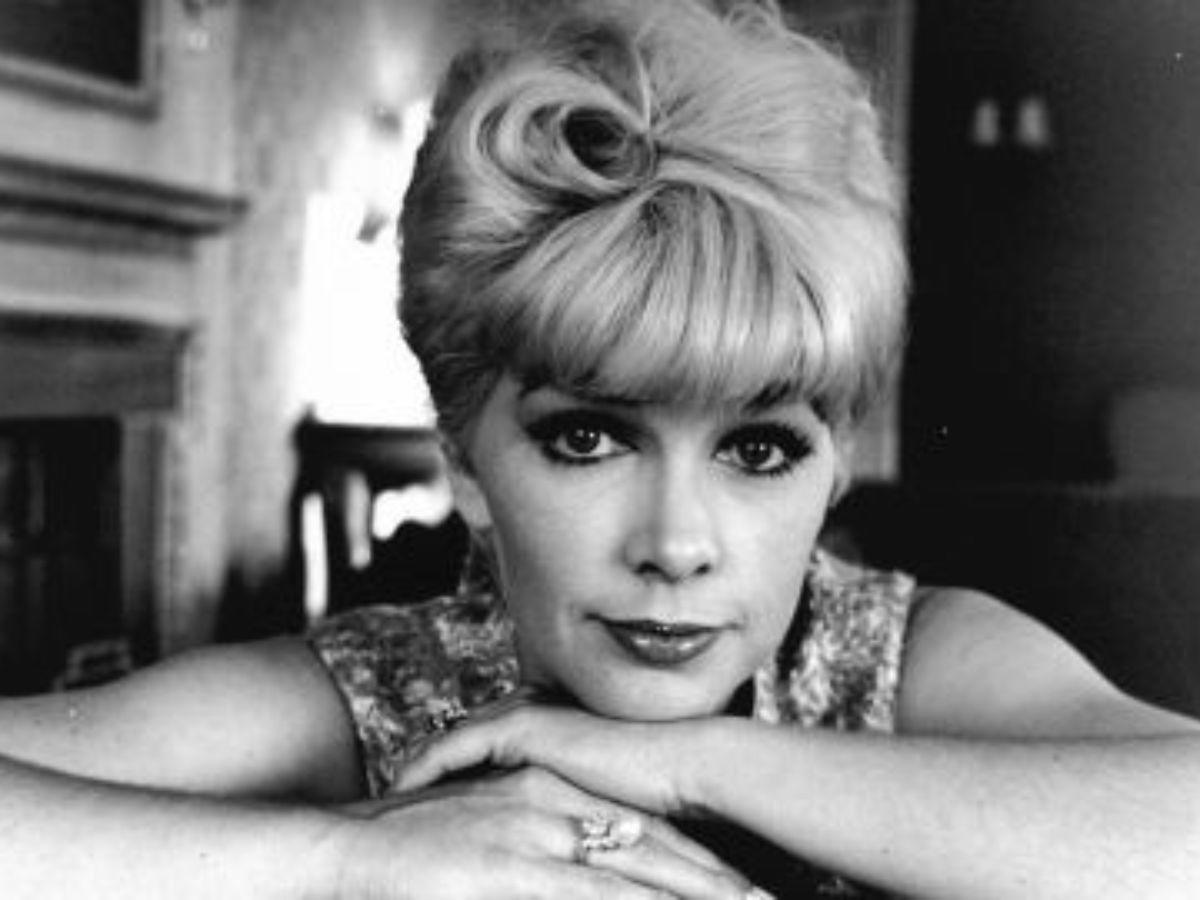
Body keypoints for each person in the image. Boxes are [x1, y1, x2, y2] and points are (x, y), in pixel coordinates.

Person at [2, 0, 1198, 897]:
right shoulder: (375, 694)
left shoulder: (906, 662)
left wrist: (691, 765)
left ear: (835, 460)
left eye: (759, 450)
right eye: (587, 437)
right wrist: (340, 860)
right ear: (463, 460)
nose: (676, 545)